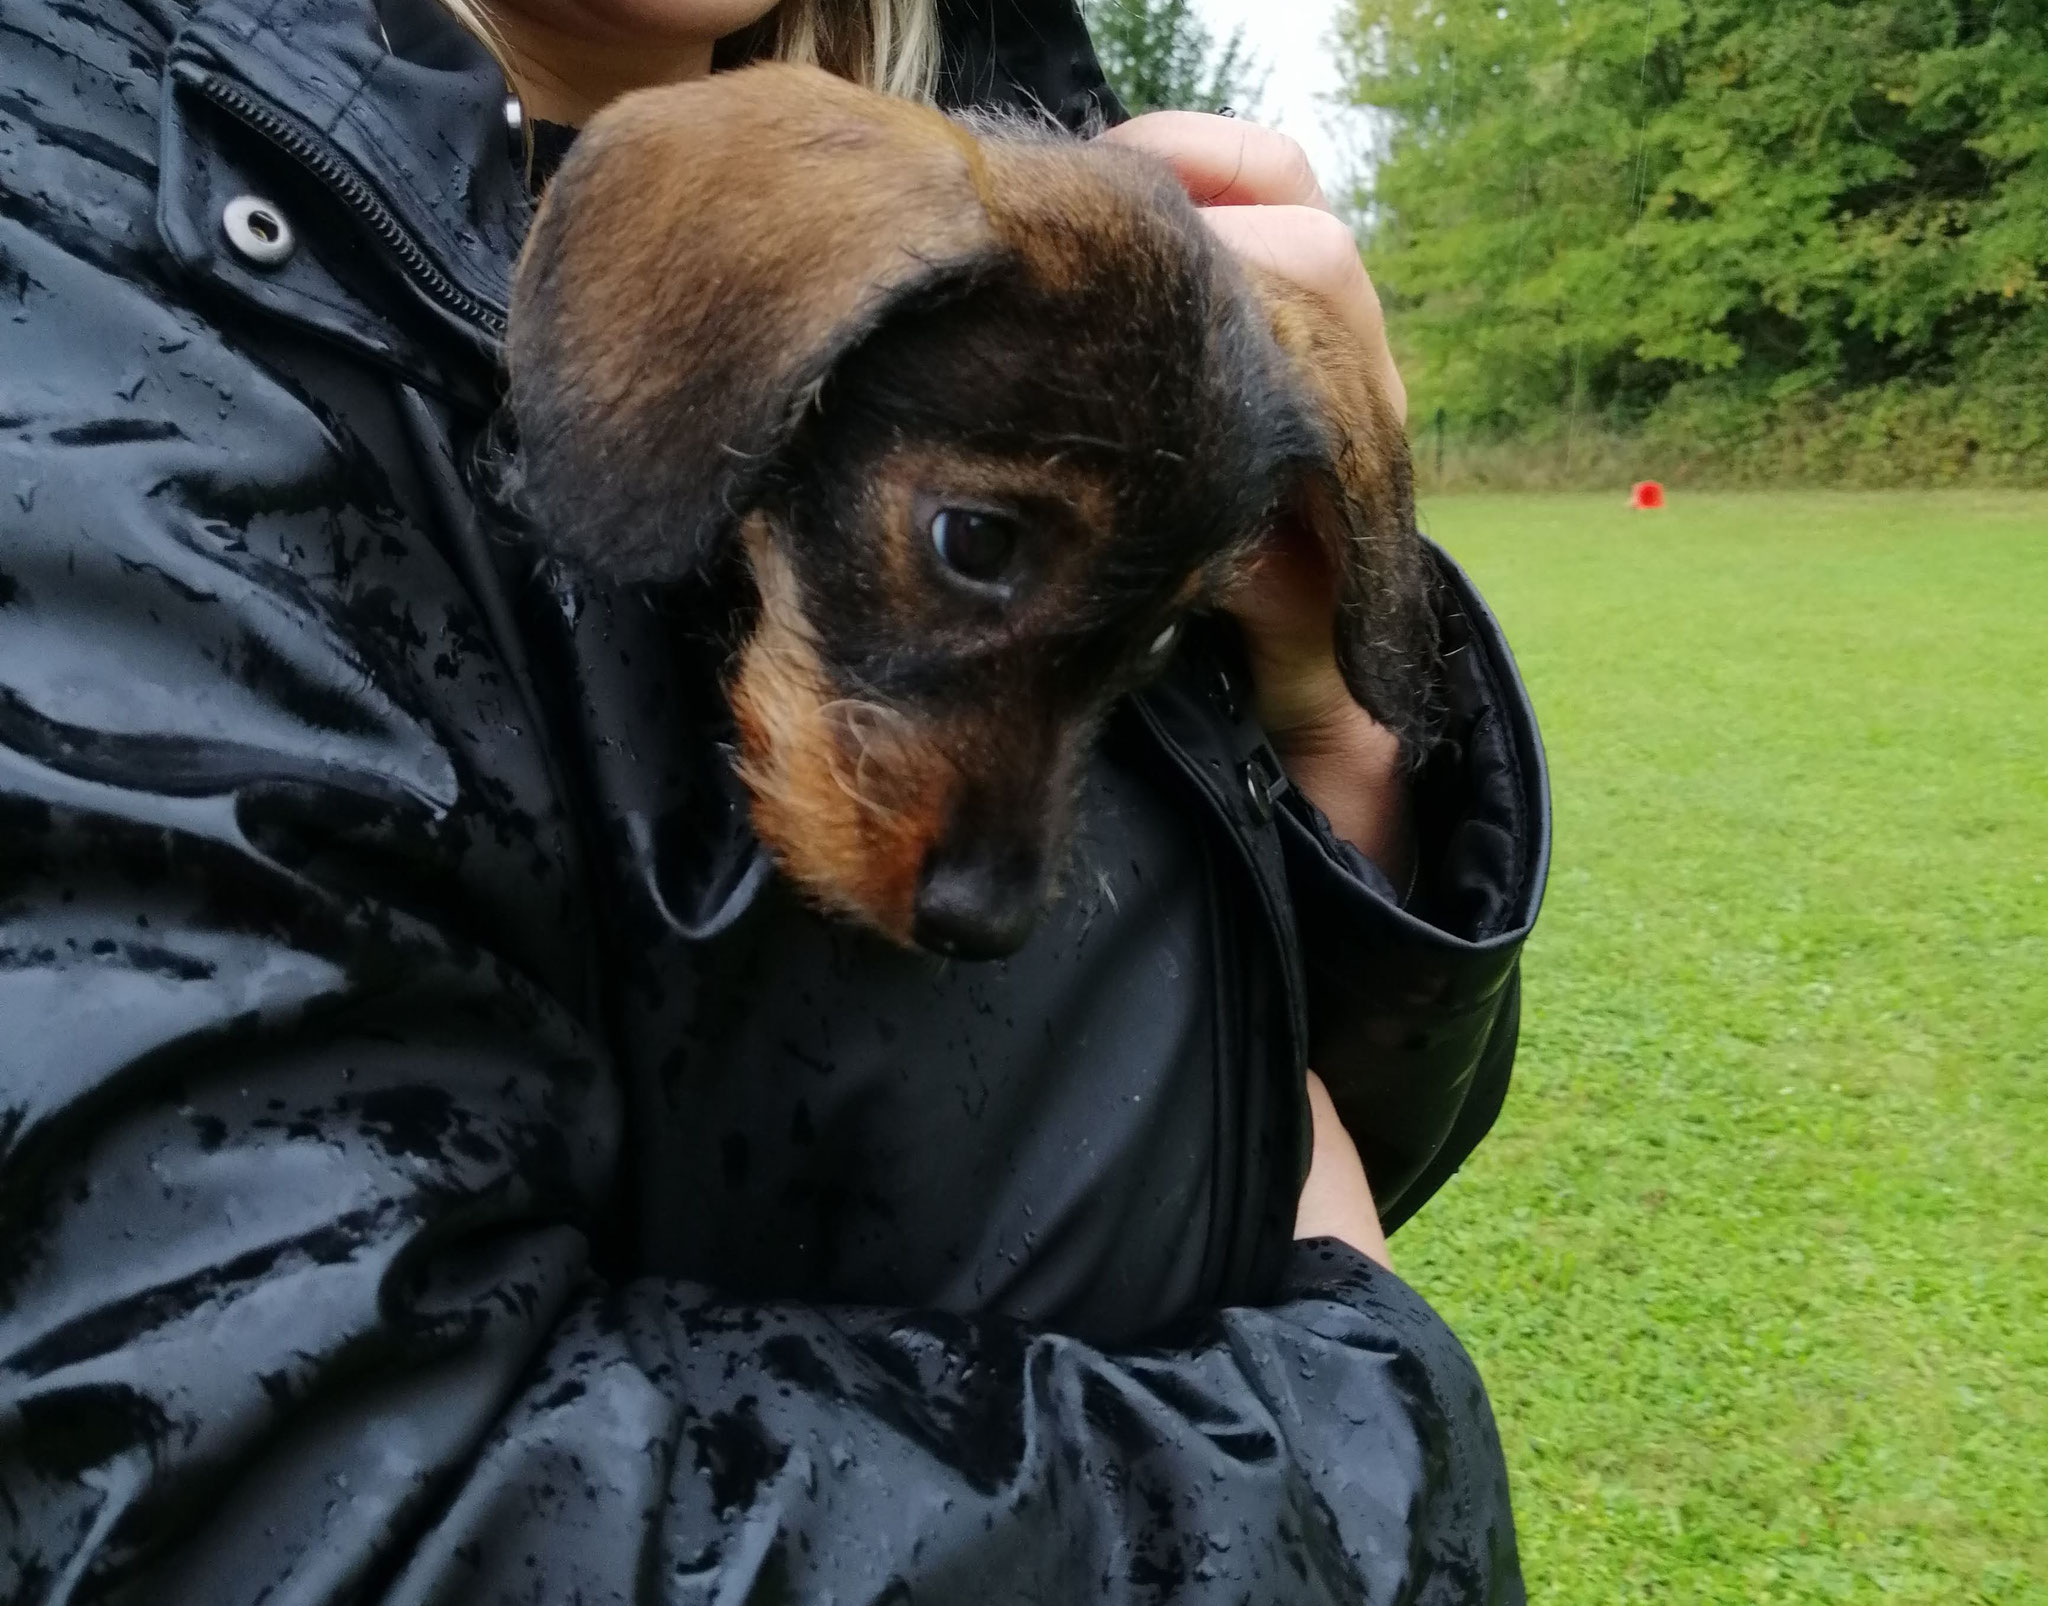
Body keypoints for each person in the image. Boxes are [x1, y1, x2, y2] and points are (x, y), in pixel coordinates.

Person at [0, 0, 1549, 1597]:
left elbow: (1214, 1104)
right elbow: (285, 1516)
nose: (1003, 886)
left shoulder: (1065, 272)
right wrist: (1346, 1483)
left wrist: (1338, 739)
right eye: (976, 549)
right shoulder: (99, 292)